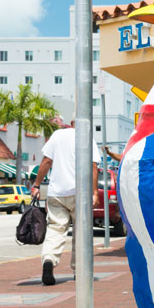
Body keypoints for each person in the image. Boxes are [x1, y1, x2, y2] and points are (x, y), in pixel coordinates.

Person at [31, 123, 100, 286]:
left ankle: (49, 260)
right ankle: (79, 271)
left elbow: (46, 161)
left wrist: (36, 184)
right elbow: (93, 166)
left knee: (55, 228)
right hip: (80, 193)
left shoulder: (57, 135)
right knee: (81, 233)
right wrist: (95, 192)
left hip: (57, 193)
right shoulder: (87, 137)